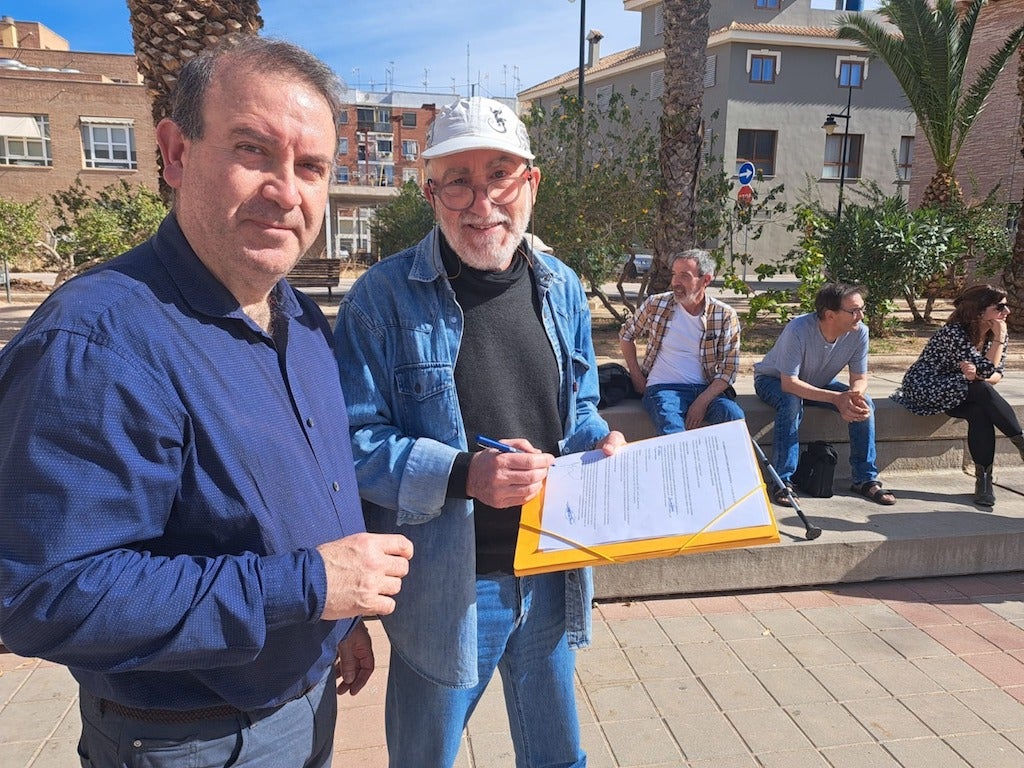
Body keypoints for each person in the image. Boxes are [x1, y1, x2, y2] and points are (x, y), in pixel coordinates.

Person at [0, 37, 413, 768]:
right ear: (175, 153)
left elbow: (307, 492)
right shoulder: (97, 342)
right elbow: (43, 592)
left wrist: (335, 616)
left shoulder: (300, 320)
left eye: (311, 166)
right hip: (188, 741)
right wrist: (310, 585)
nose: (287, 191)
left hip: (303, 703)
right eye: (254, 150)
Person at [333, 96, 625, 768]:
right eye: (458, 180)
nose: (481, 200)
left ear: (531, 183)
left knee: (558, 758)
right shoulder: (383, 298)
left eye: (499, 175)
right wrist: (466, 474)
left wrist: (601, 442)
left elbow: (577, 411)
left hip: (549, 569)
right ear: (430, 192)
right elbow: (350, 442)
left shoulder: (563, 288)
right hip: (446, 586)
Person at [754, 283, 896, 506]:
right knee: (791, 403)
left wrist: (853, 397)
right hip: (773, 380)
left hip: (818, 381)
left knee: (865, 403)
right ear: (830, 315)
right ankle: (783, 482)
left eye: (862, 308)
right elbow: (789, 383)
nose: (861, 315)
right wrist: (836, 399)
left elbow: (859, 378)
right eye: (854, 311)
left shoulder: (860, 333)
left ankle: (865, 479)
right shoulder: (798, 329)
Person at [892, 284, 1024, 506]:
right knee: (979, 389)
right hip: (925, 387)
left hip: (962, 391)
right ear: (979, 310)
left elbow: (995, 375)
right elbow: (986, 372)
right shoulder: (954, 333)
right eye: (1000, 306)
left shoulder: (996, 335)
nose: (1007, 312)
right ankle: (1020, 441)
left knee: (979, 412)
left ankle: (983, 481)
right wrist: (980, 373)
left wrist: (979, 374)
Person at [619, 248, 744, 433]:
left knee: (734, 418)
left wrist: (701, 402)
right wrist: (637, 377)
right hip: (662, 388)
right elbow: (626, 335)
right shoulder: (656, 304)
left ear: (706, 280)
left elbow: (729, 370)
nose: (675, 282)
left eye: (684, 276)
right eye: (674, 274)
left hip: (705, 389)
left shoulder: (724, 314)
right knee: (673, 431)